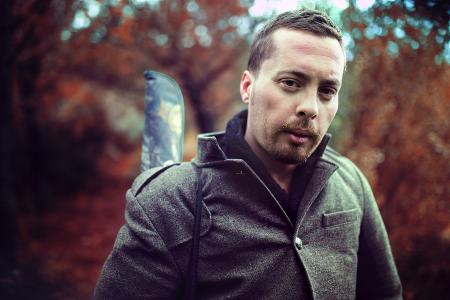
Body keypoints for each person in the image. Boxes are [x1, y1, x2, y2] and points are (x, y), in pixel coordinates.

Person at [94, 9, 402, 300]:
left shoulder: (351, 184)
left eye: (327, 91)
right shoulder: (170, 202)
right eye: (291, 83)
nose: (310, 107)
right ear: (247, 86)